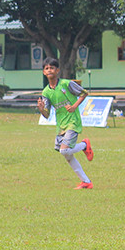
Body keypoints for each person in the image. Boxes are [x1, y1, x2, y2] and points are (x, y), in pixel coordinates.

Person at [36, 58, 94, 189]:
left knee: (65, 150)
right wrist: (41, 109)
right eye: (46, 68)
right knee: (67, 155)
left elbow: (84, 93)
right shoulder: (46, 92)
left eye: (52, 68)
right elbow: (47, 114)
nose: (49, 70)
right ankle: (86, 182)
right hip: (61, 124)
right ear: (44, 72)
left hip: (73, 121)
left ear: (57, 70)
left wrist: (74, 106)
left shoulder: (67, 84)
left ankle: (84, 145)